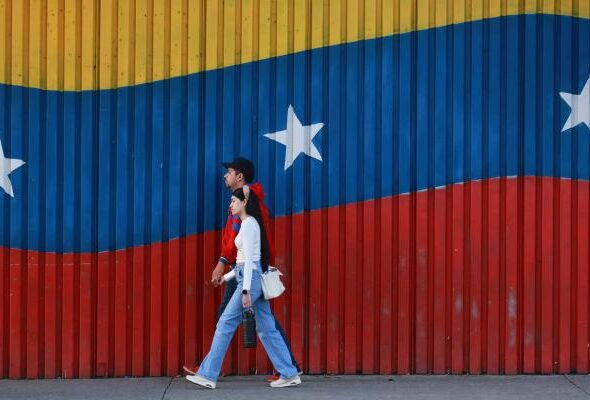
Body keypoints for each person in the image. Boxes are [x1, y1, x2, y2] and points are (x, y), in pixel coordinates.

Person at [183, 157, 301, 380]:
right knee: (265, 325)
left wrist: (227, 269)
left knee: (227, 321)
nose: (225, 176)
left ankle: (209, 371)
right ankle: (289, 369)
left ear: (240, 176)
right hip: (245, 271)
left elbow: (243, 245)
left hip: (248, 272)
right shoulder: (243, 203)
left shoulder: (245, 208)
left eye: (229, 172)